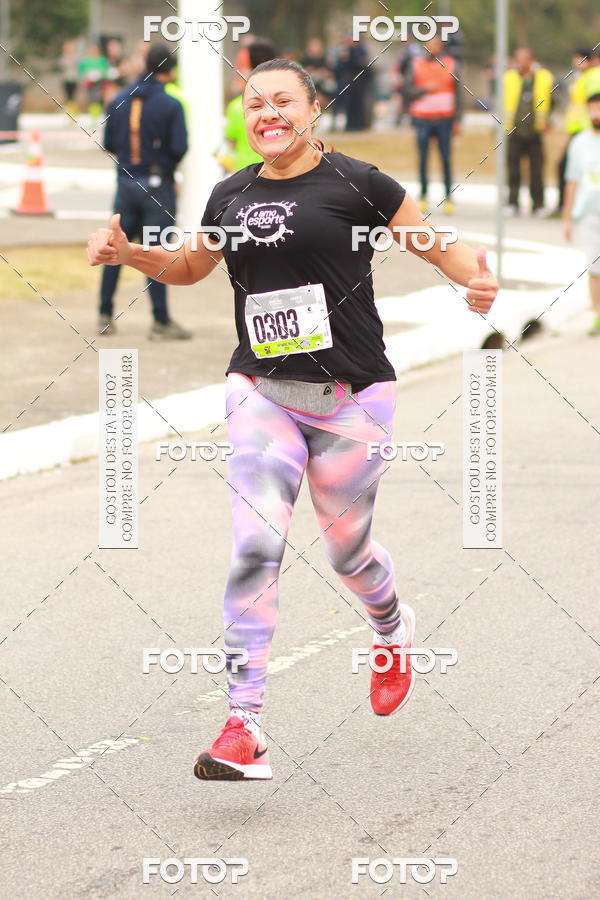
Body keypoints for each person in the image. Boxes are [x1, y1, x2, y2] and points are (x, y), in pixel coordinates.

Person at [87, 58, 498, 780]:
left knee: (348, 551)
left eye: (282, 101)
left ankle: (391, 627)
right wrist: (130, 253)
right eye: (254, 104)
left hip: (352, 398)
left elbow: (434, 243)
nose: (267, 113)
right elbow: (189, 269)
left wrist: (477, 278)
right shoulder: (230, 192)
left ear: (314, 110)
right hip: (261, 389)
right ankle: (244, 724)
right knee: (256, 543)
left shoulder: (359, 183)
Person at [98, 44, 191, 340]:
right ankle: (160, 321)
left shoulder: (119, 99)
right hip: (156, 185)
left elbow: (109, 142)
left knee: (116, 248)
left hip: (126, 182)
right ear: (170, 70)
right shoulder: (171, 104)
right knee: (156, 254)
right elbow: (179, 147)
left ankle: (104, 313)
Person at [403, 35, 463, 214]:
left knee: (445, 158)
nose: (433, 48)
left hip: (445, 118)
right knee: (423, 158)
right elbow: (406, 89)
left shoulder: (452, 64)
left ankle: (448, 197)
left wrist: (458, 120)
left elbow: (458, 92)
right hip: (422, 118)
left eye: (436, 45)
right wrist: (423, 90)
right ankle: (423, 194)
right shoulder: (415, 64)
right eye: (430, 45)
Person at [563, 91, 600, 335]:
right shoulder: (579, 143)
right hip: (589, 214)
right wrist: (567, 217)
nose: (596, 114)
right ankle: (598, 313)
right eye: (592, 109)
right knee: (595, 266)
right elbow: (572, 180)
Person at [504, 47, 554, 216]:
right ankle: (512, 202)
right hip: (514, 130)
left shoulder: (543, 77)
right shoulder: (509, 77)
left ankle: (538, 204)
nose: (521, 62)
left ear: (532, 59)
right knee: (513, 169)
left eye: (525, 58)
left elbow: (552, 100)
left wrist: (548, 121)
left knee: (537, 169)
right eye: (518, 58)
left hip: (535, 130)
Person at [555, 48, 600, 215]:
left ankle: (566, 206)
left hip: (587, 129)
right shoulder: (582, 77)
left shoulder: (594, 77)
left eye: (580, 59)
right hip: (579, 129)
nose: (576, 62)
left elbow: (594, 103)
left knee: (568, 167)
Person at [225, 39, 277, 172]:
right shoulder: (289, 103)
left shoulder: (237, 106)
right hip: (281, 172)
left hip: (245, 173)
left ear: (248, 64)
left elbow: (232, 142)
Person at [77, 43, 109, 119]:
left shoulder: (102, 59)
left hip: (99, 82)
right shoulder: (85, 60)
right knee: (91, 98)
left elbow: (106, 70)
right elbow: (80, 72)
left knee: (97, 98)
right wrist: (85, 76)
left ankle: (96, 115)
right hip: (88, 82)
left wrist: (99, 73)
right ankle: (93, 116)